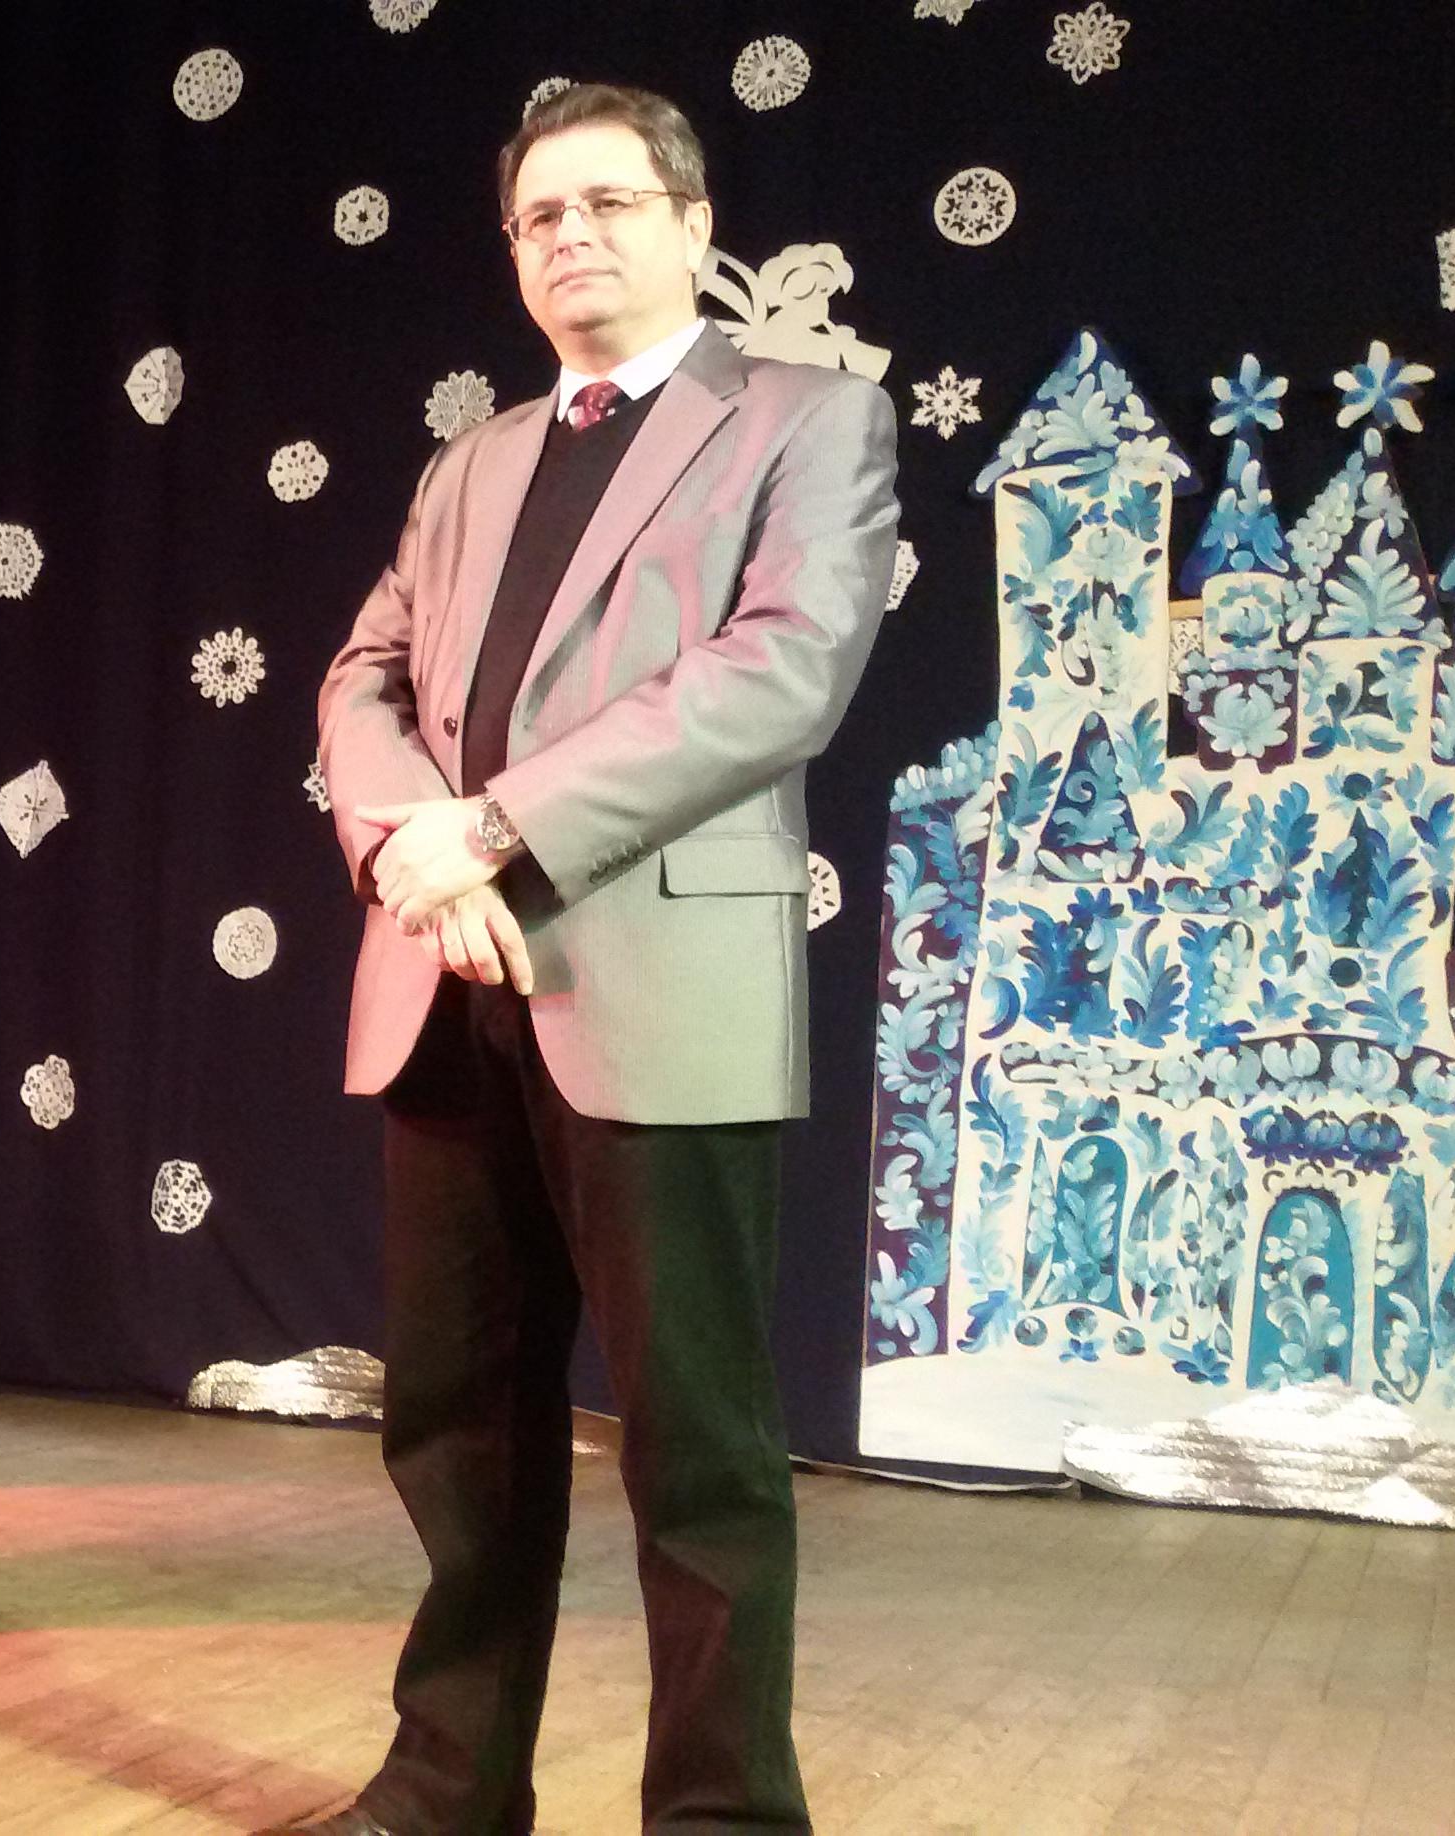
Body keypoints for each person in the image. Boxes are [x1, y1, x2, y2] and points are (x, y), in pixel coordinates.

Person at [290, 84, 898, 1834]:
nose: (572, 237)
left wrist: (493, 828)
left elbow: (779, 671)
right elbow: (362, 678)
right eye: (539, 216)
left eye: (610, 203)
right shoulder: (467, 460)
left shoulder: (808, 419)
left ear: (694, 226)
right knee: (455, 1437)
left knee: (696, 1453)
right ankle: (444, 1792)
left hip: (657, 986)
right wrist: (405, 851)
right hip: (443, 978)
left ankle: (720, 1815)